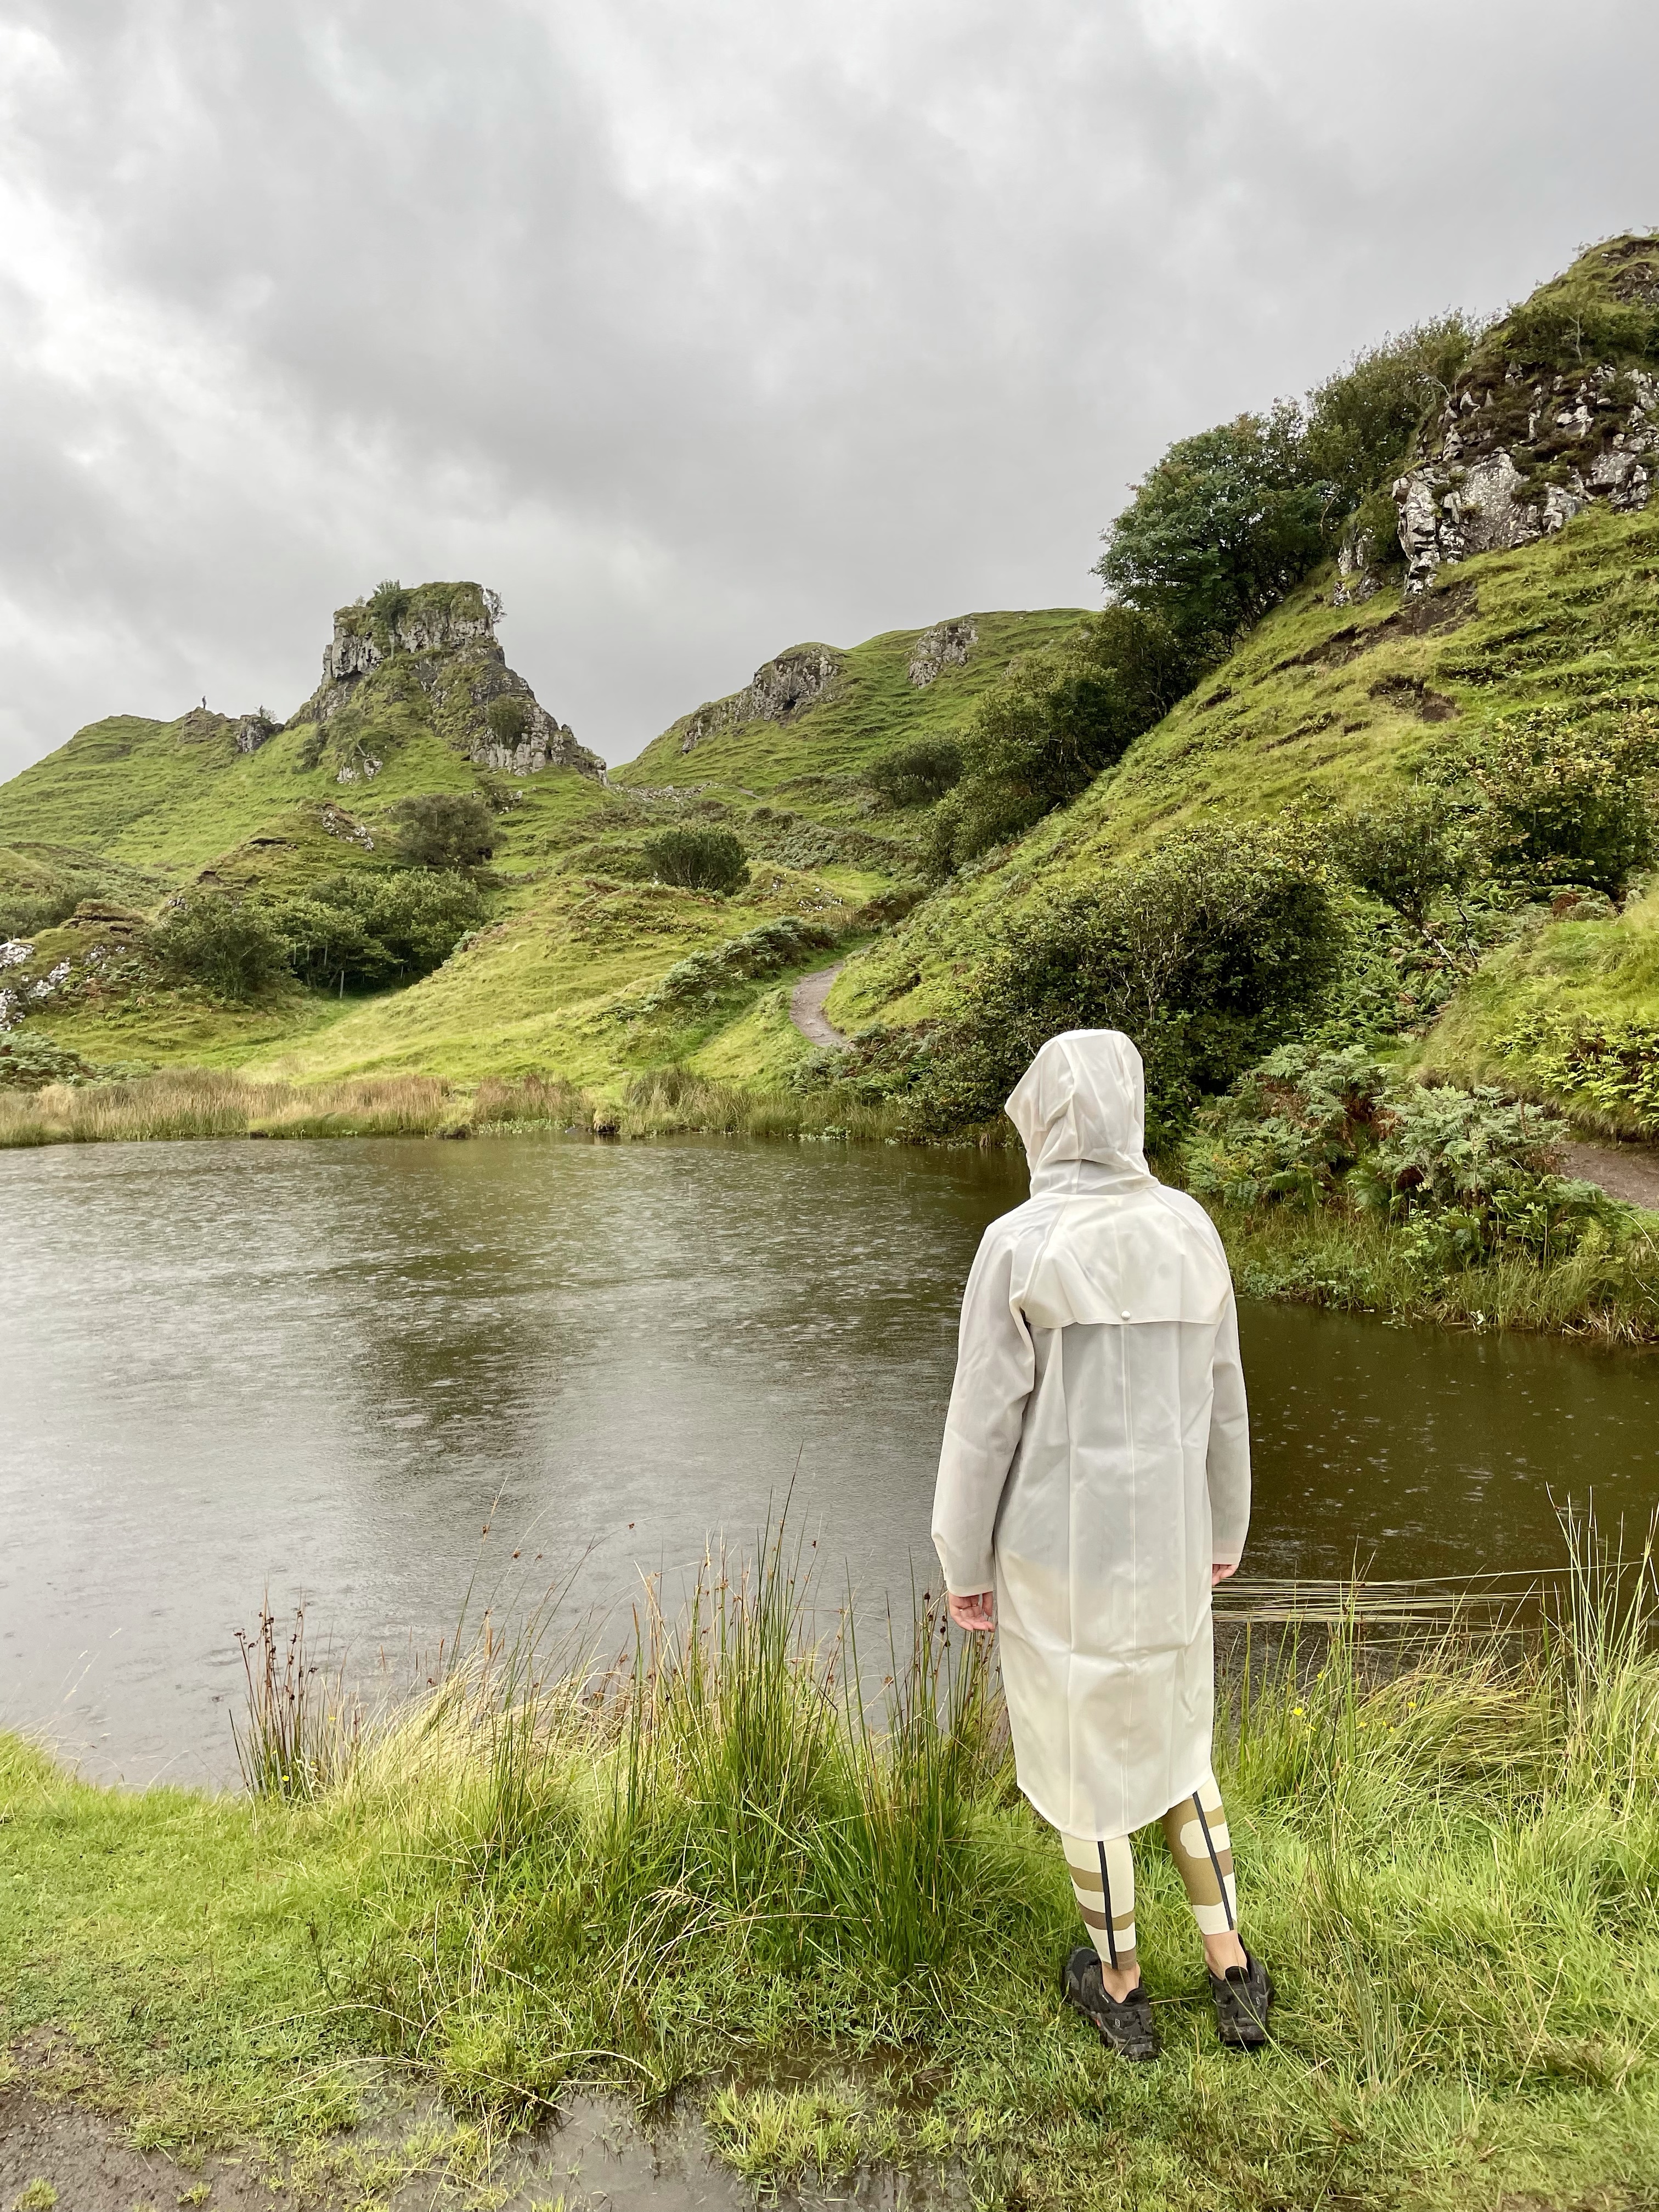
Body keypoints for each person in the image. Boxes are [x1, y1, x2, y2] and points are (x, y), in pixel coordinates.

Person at [930, 1028, 1272, 2061]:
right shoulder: (1191, 1230)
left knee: (1085, 1760)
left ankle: (1119, 1983)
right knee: (1178, 1744)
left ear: (1045, 1117)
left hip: (1056, 1548)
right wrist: (1226, 1525)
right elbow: (1225, 1402)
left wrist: (964, 1559)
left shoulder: (1020, 1245)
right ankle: (1231, 1968)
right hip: (1170, 1542)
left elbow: (982, 1422)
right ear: (1128, 1108)